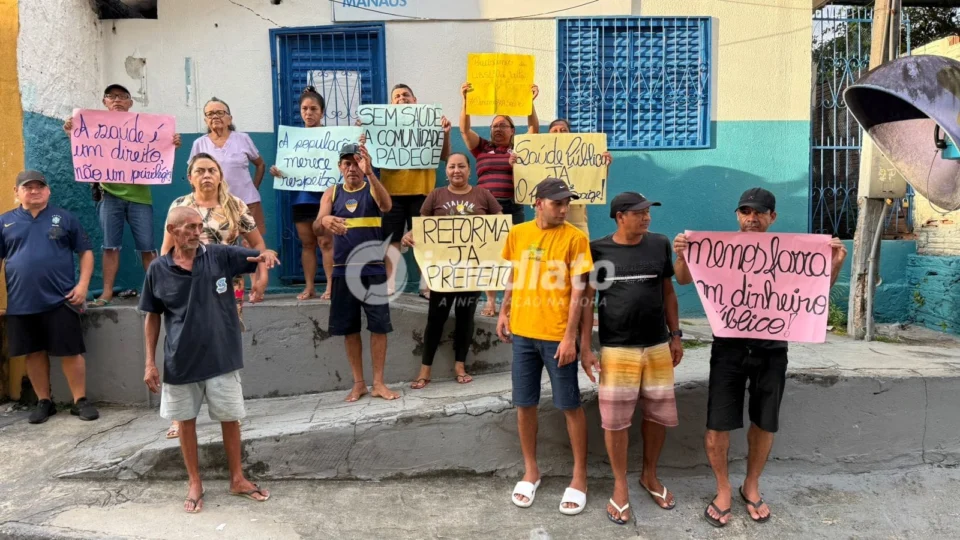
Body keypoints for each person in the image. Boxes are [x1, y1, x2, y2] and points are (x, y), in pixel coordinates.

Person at [673, 187, 847, 527]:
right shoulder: (716, 250)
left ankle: (750, 484)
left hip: (772, 347)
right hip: (728, 347)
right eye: (745, 212)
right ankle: (723, 488)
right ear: (737, 215)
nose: (752, 218)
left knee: (765, 420)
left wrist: (835, 264)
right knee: (718, 422)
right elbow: (682, 279)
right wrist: (682, 255)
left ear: (772, 217)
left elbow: (813, 291)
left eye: (759, 212)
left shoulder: (790, 253)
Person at [141, 206, 280, 514]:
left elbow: (255, 253)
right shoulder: (158, 269)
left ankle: (237, 478)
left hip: (222, 356)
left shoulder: (218, 255)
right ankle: (195, 483)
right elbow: (152, 316)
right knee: (186, 422)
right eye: (189, 226)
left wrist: (266, 255)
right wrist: (149, 362)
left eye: (198, 225)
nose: (196, 231)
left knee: (230, 418)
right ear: (172, 231)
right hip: (180, 360)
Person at [580, 192, 682, 525]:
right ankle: (620, 484)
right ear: (620, 216)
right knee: (615, 421)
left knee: (657, 414)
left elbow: (668, 291)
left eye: (649, 212)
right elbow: (587, 299)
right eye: (640, 213)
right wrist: (584, 346)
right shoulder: (598, 250)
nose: (647, 217)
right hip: (616, 348)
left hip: (656, 347)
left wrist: (676, 335)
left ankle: (649, 475)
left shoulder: (660, 244)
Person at [497, 178, 593, 515]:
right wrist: (504, 310)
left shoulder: (576, 239)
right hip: (523, 334)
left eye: (567, 203)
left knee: (569, 405)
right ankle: (531, 470)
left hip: (556, 337)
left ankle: (579, 476)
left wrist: (571, 338)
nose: (564, 209)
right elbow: (514, 274)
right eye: (557, 203)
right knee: (525, 404)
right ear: (539, 203)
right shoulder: (519, 233)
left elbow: (580, 294)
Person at [160, 153, 271, 440]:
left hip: (226, 286)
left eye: (212, 169)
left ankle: (230, 410)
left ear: (220, 174)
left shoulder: (235, 206)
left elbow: (257, 245)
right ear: (190, 177)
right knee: (182, 339)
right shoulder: (180, 206)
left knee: (226, 340)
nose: (206, 175)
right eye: (200, 170)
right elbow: (166, 249)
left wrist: (262, 275)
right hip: (185, 287)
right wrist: (164, 282)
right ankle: (179, 417)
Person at [63, 83, 182, 307]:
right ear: (104, 102)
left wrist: (171, 143)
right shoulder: (93, 126)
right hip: (109, 196)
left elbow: (160, 150)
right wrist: (72, 130)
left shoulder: (146, 128)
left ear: (130, 102)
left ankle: (159, 292)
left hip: (140, 197)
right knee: (110, 246)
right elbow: (83, 146)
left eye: (122, 96)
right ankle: (107, 292)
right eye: (111, 96)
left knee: (148, 246)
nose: (117, 100)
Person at [0, 170, 98, 424]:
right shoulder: (5, 222)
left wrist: (83, 286)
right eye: (28, 187)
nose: (34, 191)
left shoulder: (64, 218)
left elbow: (85, 252)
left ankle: (80, 401)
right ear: (16, 191)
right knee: (33, 353)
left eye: (39, 187)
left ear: (48, 190)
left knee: (71, 351)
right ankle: (45, 401)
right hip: (21, 303)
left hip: (61, 299)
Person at [400, 153, 501, 389]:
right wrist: (408, 237)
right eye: (452, 166)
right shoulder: (435, 195)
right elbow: (421, 228)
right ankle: (425, 369)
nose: (457, 170)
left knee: (466, 319)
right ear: (446, 171)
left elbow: (499, 224)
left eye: (462, 166)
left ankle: (460, 365)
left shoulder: (483, 195)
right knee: (436, 319)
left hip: (472, 271)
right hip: (443, 273)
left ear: (469, 169)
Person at [314, 143, 399, 402]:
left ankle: (379, 383)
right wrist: (324, 221)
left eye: (357, 162)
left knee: (379, 327)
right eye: (347, 163)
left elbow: (386, 206)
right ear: (340, 167)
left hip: (373, 270)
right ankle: (359, 383)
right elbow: (317, 228)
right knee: (350, 329)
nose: (352, 168)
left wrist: (371, 173)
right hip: (342, 272)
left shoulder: (372, 187)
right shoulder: (332, 193)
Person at [460, 81, 540, 317]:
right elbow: (464, 130)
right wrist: (465, 100)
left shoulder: (521, 148)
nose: (498, 128)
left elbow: (534, 129)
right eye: (495, 125)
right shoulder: (482, 148)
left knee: (513, 255)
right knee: (488, 253)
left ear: (512, 130)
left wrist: (530, 104)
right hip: (485, 208)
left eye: (503, 125)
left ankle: (509, 302)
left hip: (513, 206)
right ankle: (490, 301)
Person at [379, 83, 452, 296]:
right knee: (391, 239)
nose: (401, 98)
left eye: (406, 95)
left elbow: (445, 156)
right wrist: (363, 134)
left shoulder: (430, 122)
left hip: (422, 191)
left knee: (423, 240)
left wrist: (445, 133)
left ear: (414, 100)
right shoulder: (382, 125)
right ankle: (391, 283)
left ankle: (426, 285)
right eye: (397, 96)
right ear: (392, 104)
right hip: (391, 192)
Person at [269, 86, 336, 301]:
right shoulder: (293, 139)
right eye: (305, 109)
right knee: (307, 244)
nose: (308, 113)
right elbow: (288, 168)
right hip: (302, 199)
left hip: (326, 197)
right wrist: (278, 172)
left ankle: (331, 286)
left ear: (322, 112)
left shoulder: (334, 137)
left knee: (326, 243)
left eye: (313, 109)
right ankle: (309, 287)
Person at [189, 97, 267, 235]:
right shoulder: (199, 144)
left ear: (230, 119)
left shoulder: (243, 139)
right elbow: (193, 174)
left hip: (248, 203)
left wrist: (254, 187)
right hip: (214, 206)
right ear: (205, 120)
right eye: (210, 114)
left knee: (252, 249)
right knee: (220, 247)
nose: (215, 116)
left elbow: (260, 164)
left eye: (220, 113)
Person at [538, 118, 614, 237]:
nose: (559, 133)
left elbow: (596, 181)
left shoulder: (583, 153)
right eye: (555, 130)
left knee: (579, 251)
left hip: (575, 210)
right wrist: (517, 164)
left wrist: (604, 166)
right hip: (547, 209)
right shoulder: (538, 153)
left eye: (563, 130)